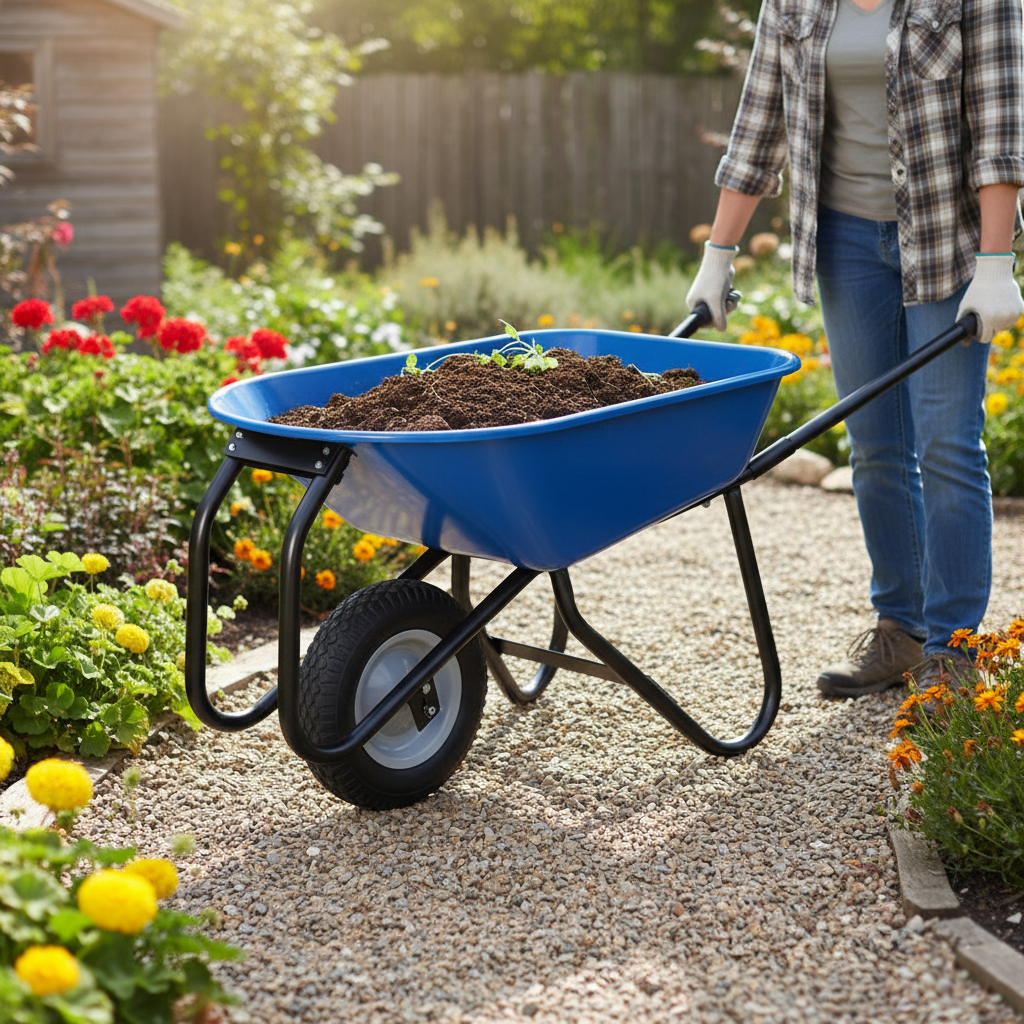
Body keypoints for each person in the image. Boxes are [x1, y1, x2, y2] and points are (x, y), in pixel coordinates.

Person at [686, 0, 1024, 697]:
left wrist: (997, 261)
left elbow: (1000, 127)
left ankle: (956, 654)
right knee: (874, 444)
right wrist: (718, 253)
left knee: (948, 442)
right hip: (844, 243)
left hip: (947, 236)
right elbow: (759, 126)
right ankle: (901, 631)